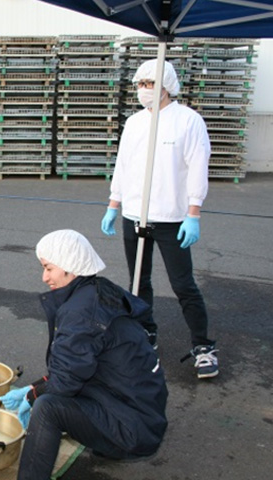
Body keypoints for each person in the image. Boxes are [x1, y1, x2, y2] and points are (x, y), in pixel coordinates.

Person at [0, 230, 168, 480]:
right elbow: (72, 368)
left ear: (69, 266)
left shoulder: (80, 312)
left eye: (48, 268)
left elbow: (65, 382)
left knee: (48, 408)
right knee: (58, 389)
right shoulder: (100, 290)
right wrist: (33, 388)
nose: (44, 277)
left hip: (133, 427)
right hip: (145, 411)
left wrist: (33, 394)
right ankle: (107, 445)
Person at [100, 58, 218, 379]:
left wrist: (193, 213)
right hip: (134, 215)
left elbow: (197, 168)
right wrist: (114, 205)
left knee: (184, 284)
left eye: (150, 84)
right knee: (139, 282)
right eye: (140, 84)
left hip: (171, 218)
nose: (144, 90)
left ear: (167, 86)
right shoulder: (135, 123)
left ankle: (203, 346)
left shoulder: (188, 121)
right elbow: (123, 165)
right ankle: (145, 332)